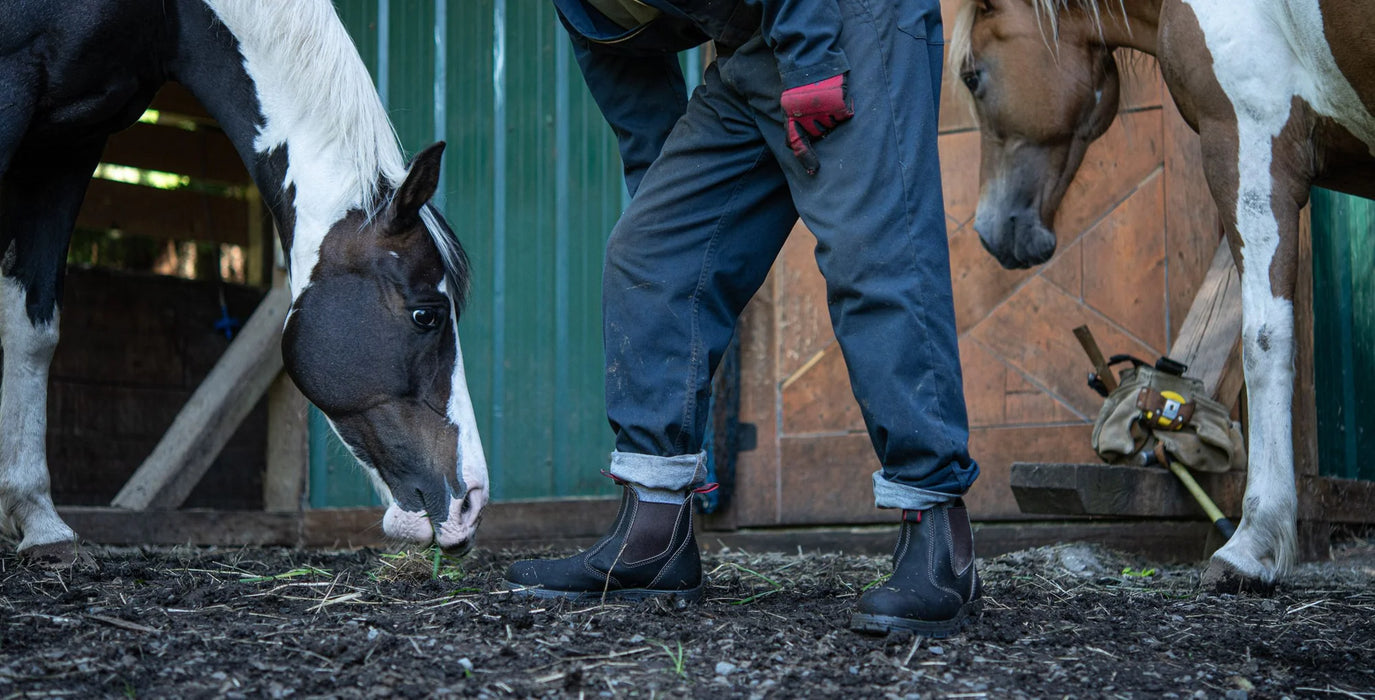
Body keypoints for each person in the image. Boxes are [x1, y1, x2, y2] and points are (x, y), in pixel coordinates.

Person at [505, 0, 982, 636]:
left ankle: (940, 543)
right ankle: (653, 533)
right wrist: (671, 209)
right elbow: (629, 83)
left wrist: (811, 59)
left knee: (875, 253)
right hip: (753, 52)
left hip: (842, 21)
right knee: (650, 254)